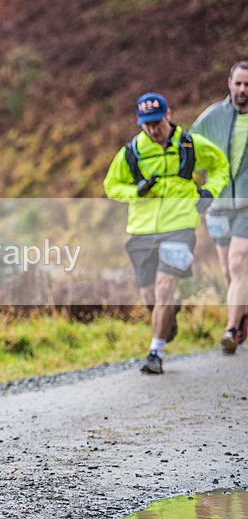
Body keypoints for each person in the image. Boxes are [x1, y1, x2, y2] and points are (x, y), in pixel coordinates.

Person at [104, 92, 229, 374]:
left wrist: (210, 191)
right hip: (142, 230)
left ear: (168, 115)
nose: (152, 129)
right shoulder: (131, 152)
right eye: (146, 124)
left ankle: (155, 354)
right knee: (150, 297)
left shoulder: (190, 145)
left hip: (180, 227)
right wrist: (137, 190)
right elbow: (111, 187)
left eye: (157, 122)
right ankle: (168, 313)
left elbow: (220, 166)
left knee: (163, 286)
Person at [190, 60, 248, 355]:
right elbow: (188, 151)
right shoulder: (212, 117)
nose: (242, 90)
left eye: (247, 85)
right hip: (218, 205)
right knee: (227, 269)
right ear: (229, 83)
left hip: (247, 205)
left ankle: (230, 329)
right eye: (238, 83)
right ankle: (242, 315)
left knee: (238, 262)